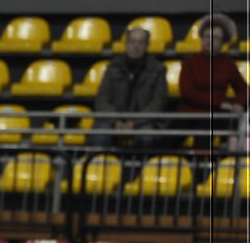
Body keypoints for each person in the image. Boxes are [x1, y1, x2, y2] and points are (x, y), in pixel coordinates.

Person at [177, 13, 248, 149]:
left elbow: (243, 88)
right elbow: (187, 92)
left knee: (205, 137)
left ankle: (203, 169)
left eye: (215, 38)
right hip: (188, 113)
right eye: (206, 36)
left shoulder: (228, 64)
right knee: (165, 142)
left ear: (223, 42)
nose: (209, 40)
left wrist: (239, 104)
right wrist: (220, 103)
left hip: (214, 116)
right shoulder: (189, 63)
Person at [92, 26, 168, 152]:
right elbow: (102, 99)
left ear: (147, 45)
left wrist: (135, 122)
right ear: (126, 44)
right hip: (113, 121)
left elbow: (158, 103)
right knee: (100, 136)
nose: (136, 46)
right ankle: (98, 171)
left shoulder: (158, 69)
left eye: (140, 42)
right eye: (132, 42)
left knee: (147, 137)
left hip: (144, 122)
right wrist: (115, 121)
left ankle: (142, 171)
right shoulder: (113, 67)